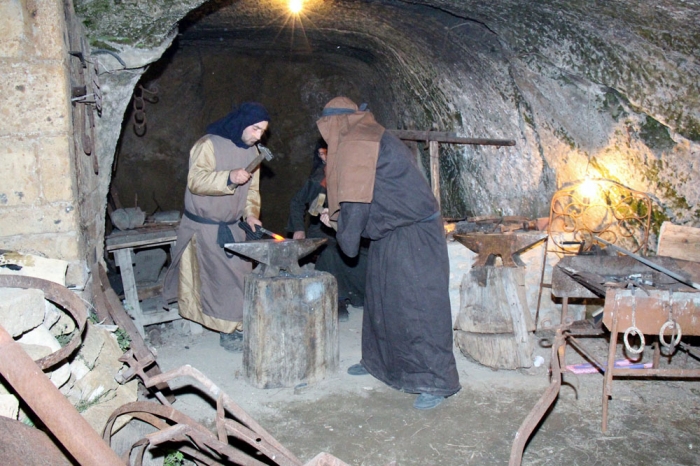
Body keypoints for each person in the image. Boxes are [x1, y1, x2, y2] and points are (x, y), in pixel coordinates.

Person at [316, 97, 460, 410]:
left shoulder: (359, 143)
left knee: (419, 308)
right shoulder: (362, 135)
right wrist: (339, 220)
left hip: (414, 235)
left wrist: (344, 230)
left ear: (335, 124)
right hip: (391, 232)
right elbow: (372, 194)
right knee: (383, 304)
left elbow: (356, 204)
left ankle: (436, 380)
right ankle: (380, 364)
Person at [163, 102, 270, 352]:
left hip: (234, 226)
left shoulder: (254, 151)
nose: (258, 135)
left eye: (262, 131)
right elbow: (196, 181)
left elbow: (252, 191)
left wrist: (252, 215)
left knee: (241, 276)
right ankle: (228, 330)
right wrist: (229, 177)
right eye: (255, 129)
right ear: (242, 123)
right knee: (220, 280)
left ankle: (239, 323)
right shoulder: (207, 145)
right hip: (206, 227)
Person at [286, 142, 367, 321]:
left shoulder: (355, 176)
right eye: (321, 155)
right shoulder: (317, 179)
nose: (324, 159)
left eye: (327, 154)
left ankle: (359, 295)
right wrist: (298, 229)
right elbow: (297, 202)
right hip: (322, 231)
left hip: (349, 228)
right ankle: (336, 299)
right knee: (330, 253)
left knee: (361, 254)